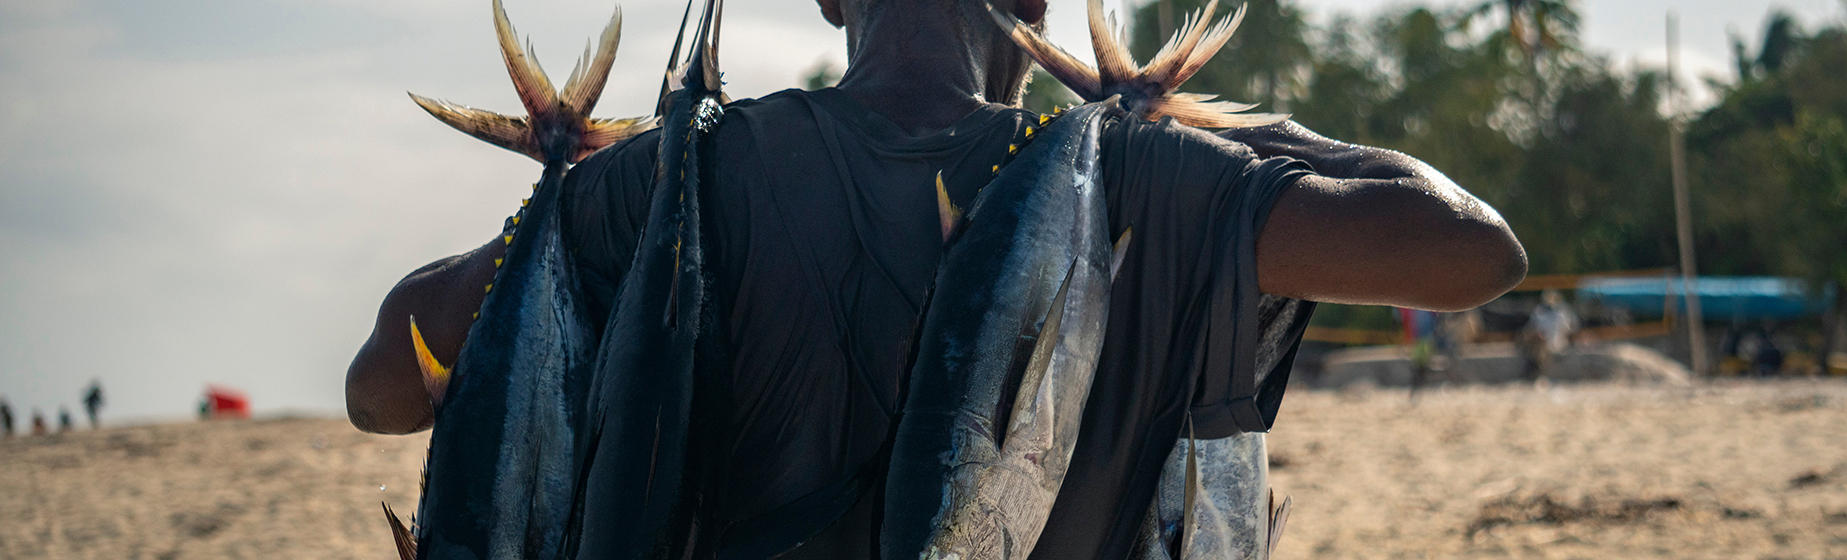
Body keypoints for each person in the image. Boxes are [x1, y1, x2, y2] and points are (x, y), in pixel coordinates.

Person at [344, 0, 1527, 554]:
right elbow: (1470, 250)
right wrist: (1242, 149)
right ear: (1035, 3)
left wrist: (562, 212)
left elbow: (382, 387)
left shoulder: (686, 179)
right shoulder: (1142, 177)